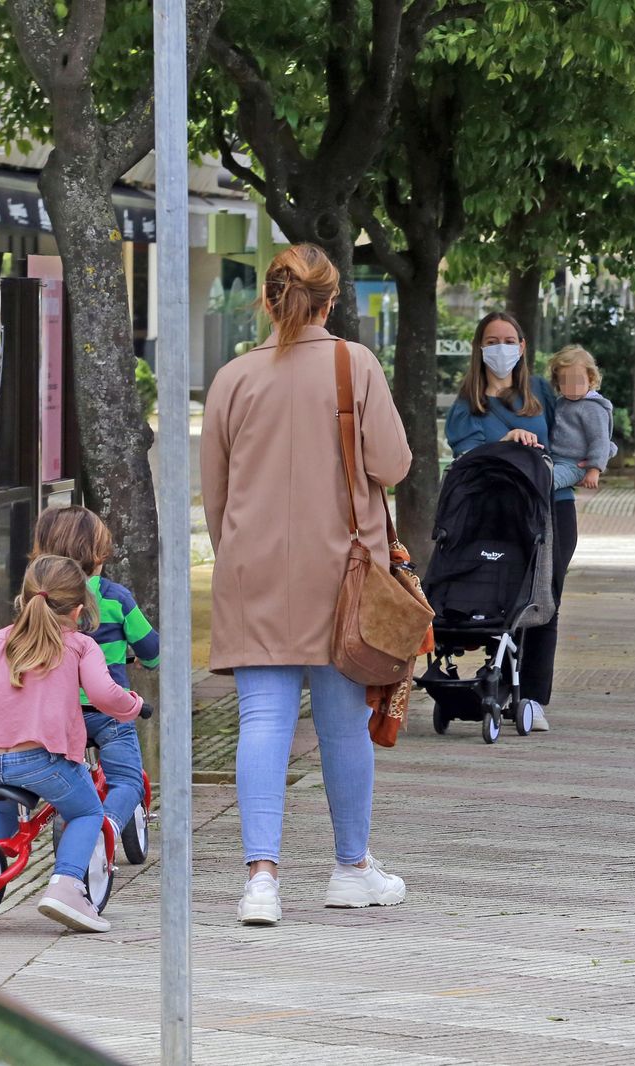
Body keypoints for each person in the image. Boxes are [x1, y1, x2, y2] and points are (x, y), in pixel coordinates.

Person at [202, 243, 411, 927]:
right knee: (342, 726)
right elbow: (393, 463)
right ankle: (352, 867)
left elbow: (216, 494)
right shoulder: (356, 366)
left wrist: (238, 548)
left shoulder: (233, 378)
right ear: (331, 302)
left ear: (267, 300)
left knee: (262, 720)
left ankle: (261, 878)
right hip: (342, 573)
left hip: (253, 568)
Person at [0, 555, 143, 933]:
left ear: (24, 598)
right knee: (86, 811)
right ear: (79, 609)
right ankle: (66, 886)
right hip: (42, 760)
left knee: (4, 812)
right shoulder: (79, 645)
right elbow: (103, 695)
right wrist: (131, 705)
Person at [445, 312, 571, 731]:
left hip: (552, 507)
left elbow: (572, 445)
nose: (501, 348)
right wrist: (503, 445)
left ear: (522, 346)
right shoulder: (467, 403)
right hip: (496, 513)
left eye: (509, 340)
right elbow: (466, 461)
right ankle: (501, 682)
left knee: (545, 600)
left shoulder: (540, 392)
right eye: (491, 340)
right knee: (503, 597)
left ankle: (534, 697)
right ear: (480, 347)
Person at [30, 506, 157, 848]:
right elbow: (151, 648)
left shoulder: (38, 600)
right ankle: (107, 829)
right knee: (127, 780)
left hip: (54, 715)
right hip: (108, 714)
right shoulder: (116, 598)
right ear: (98, 555)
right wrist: (149, 660)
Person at [548, 344, 616, 491]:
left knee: (546, 482)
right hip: (553, 458)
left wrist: (594, 469)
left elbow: (600, 440)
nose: (571, 386)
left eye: (577, 380)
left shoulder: (593, 408)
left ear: (590, 378)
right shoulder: (561, 402)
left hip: (575, 464)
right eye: (565, 381)